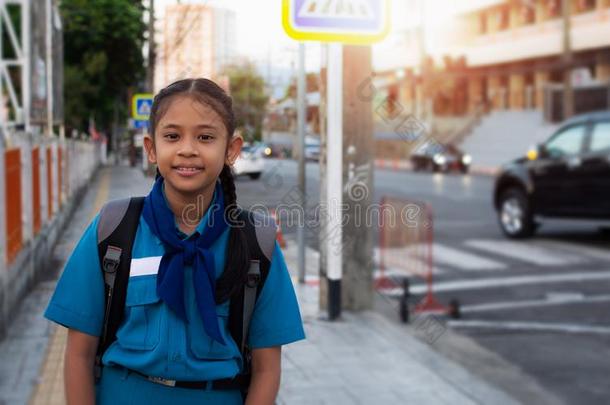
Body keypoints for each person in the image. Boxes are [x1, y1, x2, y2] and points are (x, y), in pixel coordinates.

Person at [44, 78, 306, 405]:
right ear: (151, 148)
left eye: (206, 137)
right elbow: (78, 355)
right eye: (172, 136)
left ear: (232, 150)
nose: (187, 149)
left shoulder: (257, 241)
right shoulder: (114, 229)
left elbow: (268, 369)